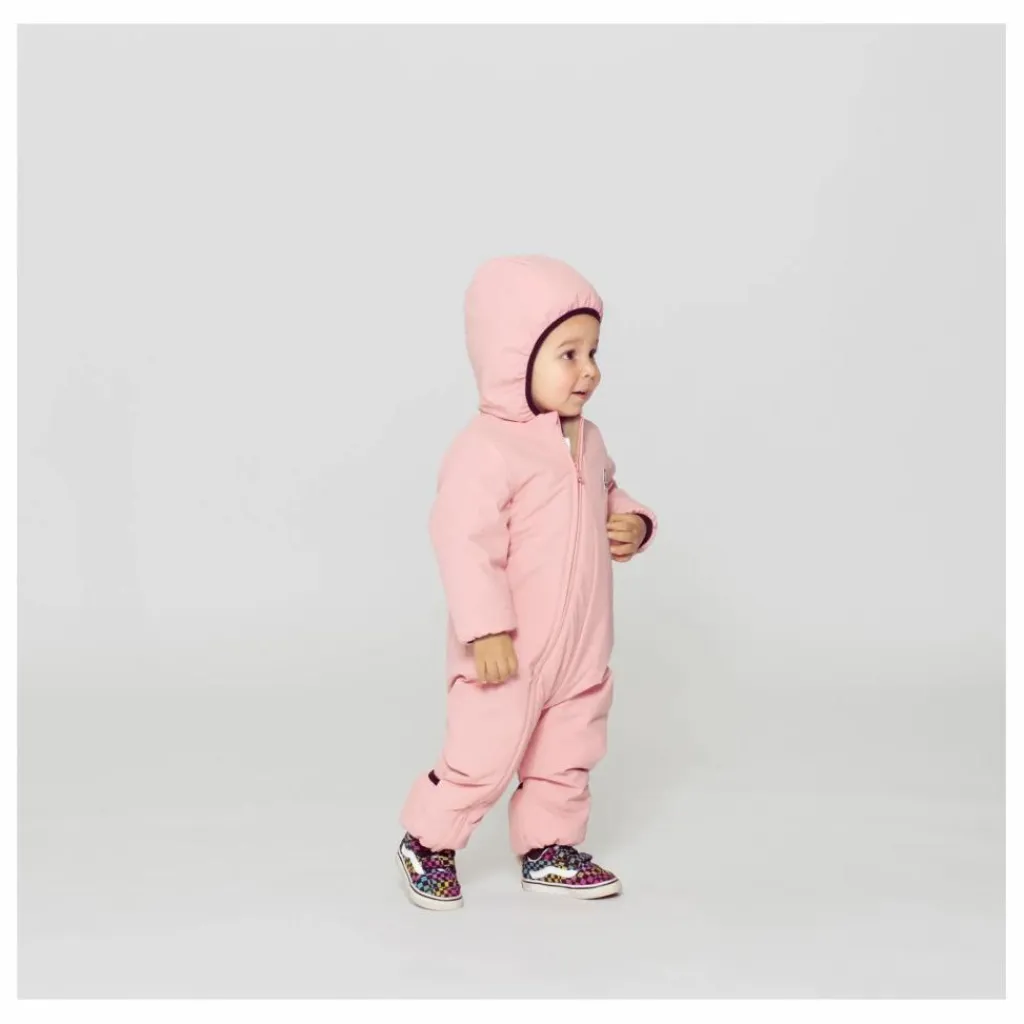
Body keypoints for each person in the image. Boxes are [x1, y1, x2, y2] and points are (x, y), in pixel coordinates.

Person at [397, 254, 657, 910]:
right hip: (508, 649)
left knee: (568, 751)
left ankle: (549, 847)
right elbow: (462, 540)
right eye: (568, 354)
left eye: (593, 352)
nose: (589, 371)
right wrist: (486, 628)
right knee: (482, 752)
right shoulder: (486, 448)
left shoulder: (589, 440)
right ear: (513, 359)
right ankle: (428, 842)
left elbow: (605, 491)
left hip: (582, 647)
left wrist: (631, 521)